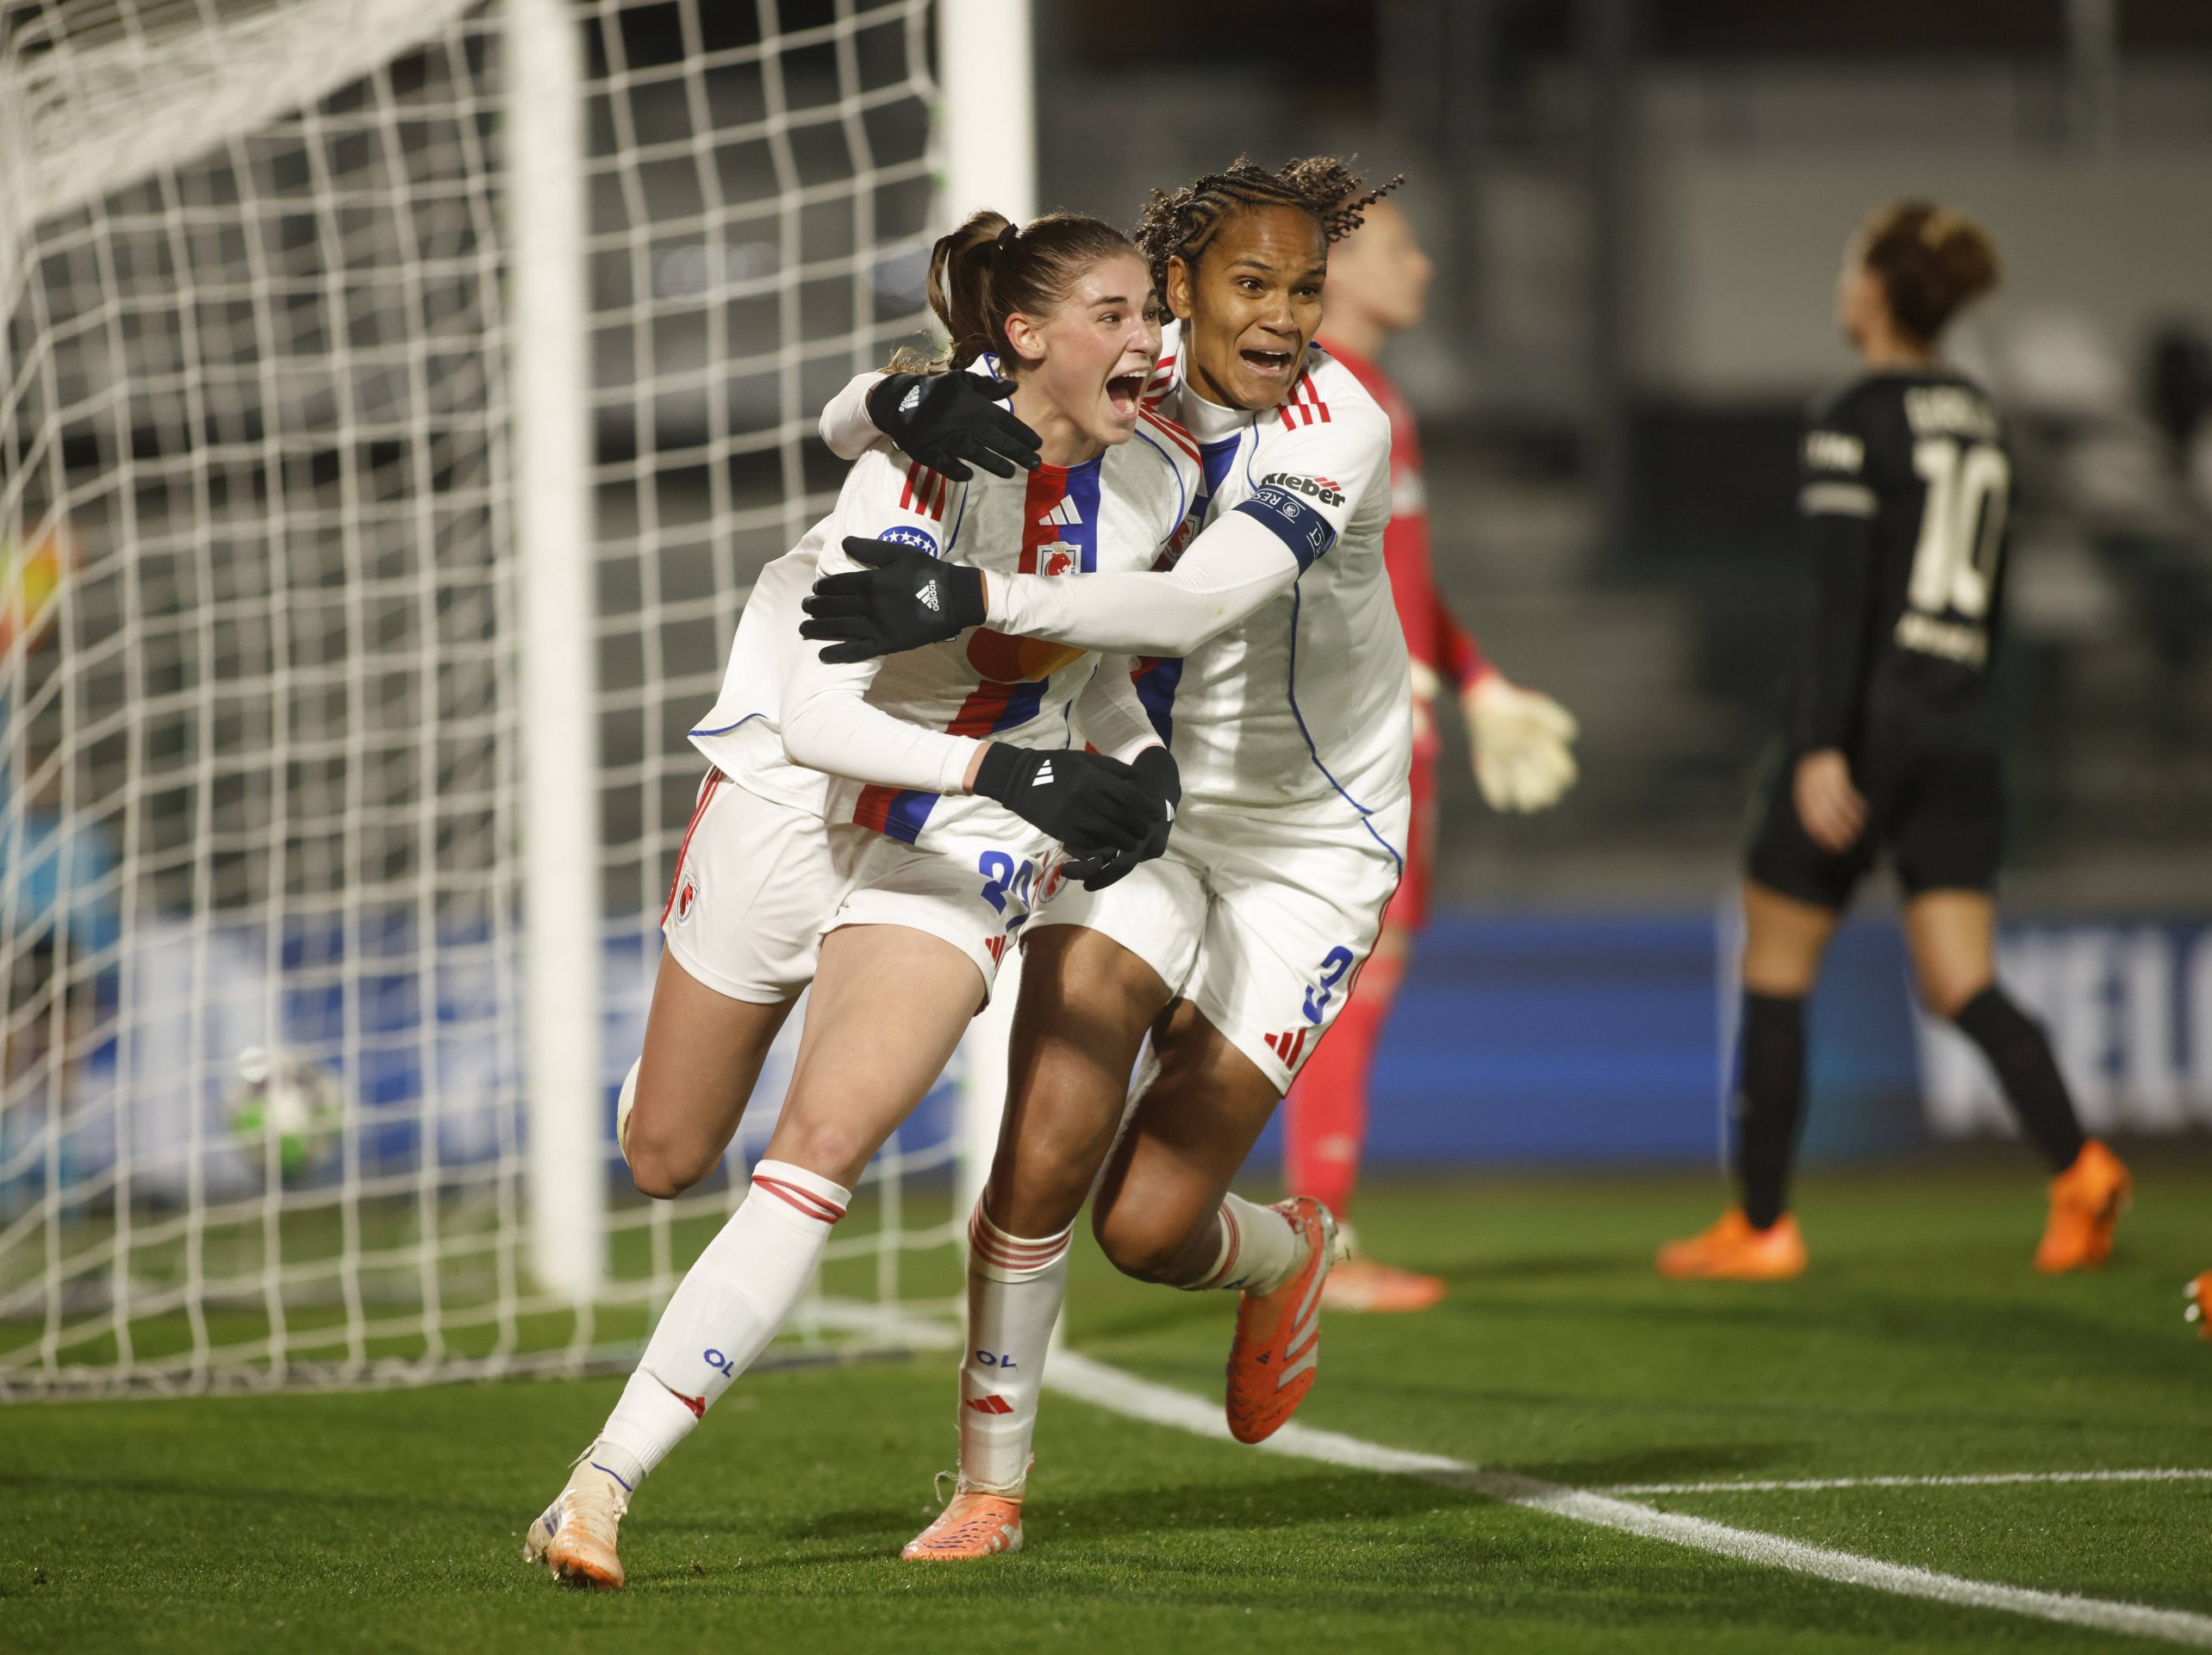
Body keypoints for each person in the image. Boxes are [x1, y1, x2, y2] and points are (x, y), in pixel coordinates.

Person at [529, 208, 1199, 1590]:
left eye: (1154, 314)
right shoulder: (924, 462)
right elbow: (826, 720)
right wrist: (1027, 770)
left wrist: (1135, 771)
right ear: (1028, 337)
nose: (1153, 341)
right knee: (665, 1151)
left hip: (950, 836)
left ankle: (596, 1488)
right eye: (1122, 314)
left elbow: (1093, 668)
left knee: (820, 1149)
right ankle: (666, 1090)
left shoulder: (1154, 483)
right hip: (789, 793)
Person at [807, 157, 1408, 1559]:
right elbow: (856, 415)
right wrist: (897, 403)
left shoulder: (1339, 424)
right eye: (1251, 285)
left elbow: (1201, 601)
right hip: (1143, 797)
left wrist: (970, 594)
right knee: (1045, 1139)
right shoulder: (1098, 381)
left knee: (1147, 1226)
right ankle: (989, 1488)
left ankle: (1289, 1248)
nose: (1283, 319)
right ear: (1178, 286)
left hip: (1313, 847)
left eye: (1306, 289)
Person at [1658, 201, 2132, 1283]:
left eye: (1850, 264)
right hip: (1964, 723)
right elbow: (1996, 597)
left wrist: (1824, 746)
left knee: (1777, 971)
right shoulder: (1984, 415)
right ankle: (2081, 1164)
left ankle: (1763, 1226)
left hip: (1867, 726)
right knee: (1964, 981)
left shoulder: (1852, 413)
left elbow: (1842, 600)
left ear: (1875, 289)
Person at [1284, 195, 1580, 1314]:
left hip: (1387, 721)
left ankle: (1305, 1233)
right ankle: (1319, 1248)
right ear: (1343, 266)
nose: (1428, 261)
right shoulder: (1327, 394)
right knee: (1343, 983)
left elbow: (1396, 574)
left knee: (1345, 982)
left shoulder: (1374, 394)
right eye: (1403, 247)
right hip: (1353, 736)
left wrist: (1479, 677)